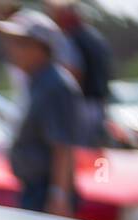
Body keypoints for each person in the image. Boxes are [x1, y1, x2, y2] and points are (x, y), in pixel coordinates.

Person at [0, 10, 79, 216]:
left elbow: (63, 146)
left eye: (20, 43)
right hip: (34, 188)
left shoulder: (54, 85)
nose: (11, 49)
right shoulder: (36, 81)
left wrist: (59, 196)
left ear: (40, 48)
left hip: (45, 192)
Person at [47, 0, 113, 144]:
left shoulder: (70, 37)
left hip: (82, 104)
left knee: (81, 152)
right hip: (98, 102)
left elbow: (74, 72)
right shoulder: (93, 35)